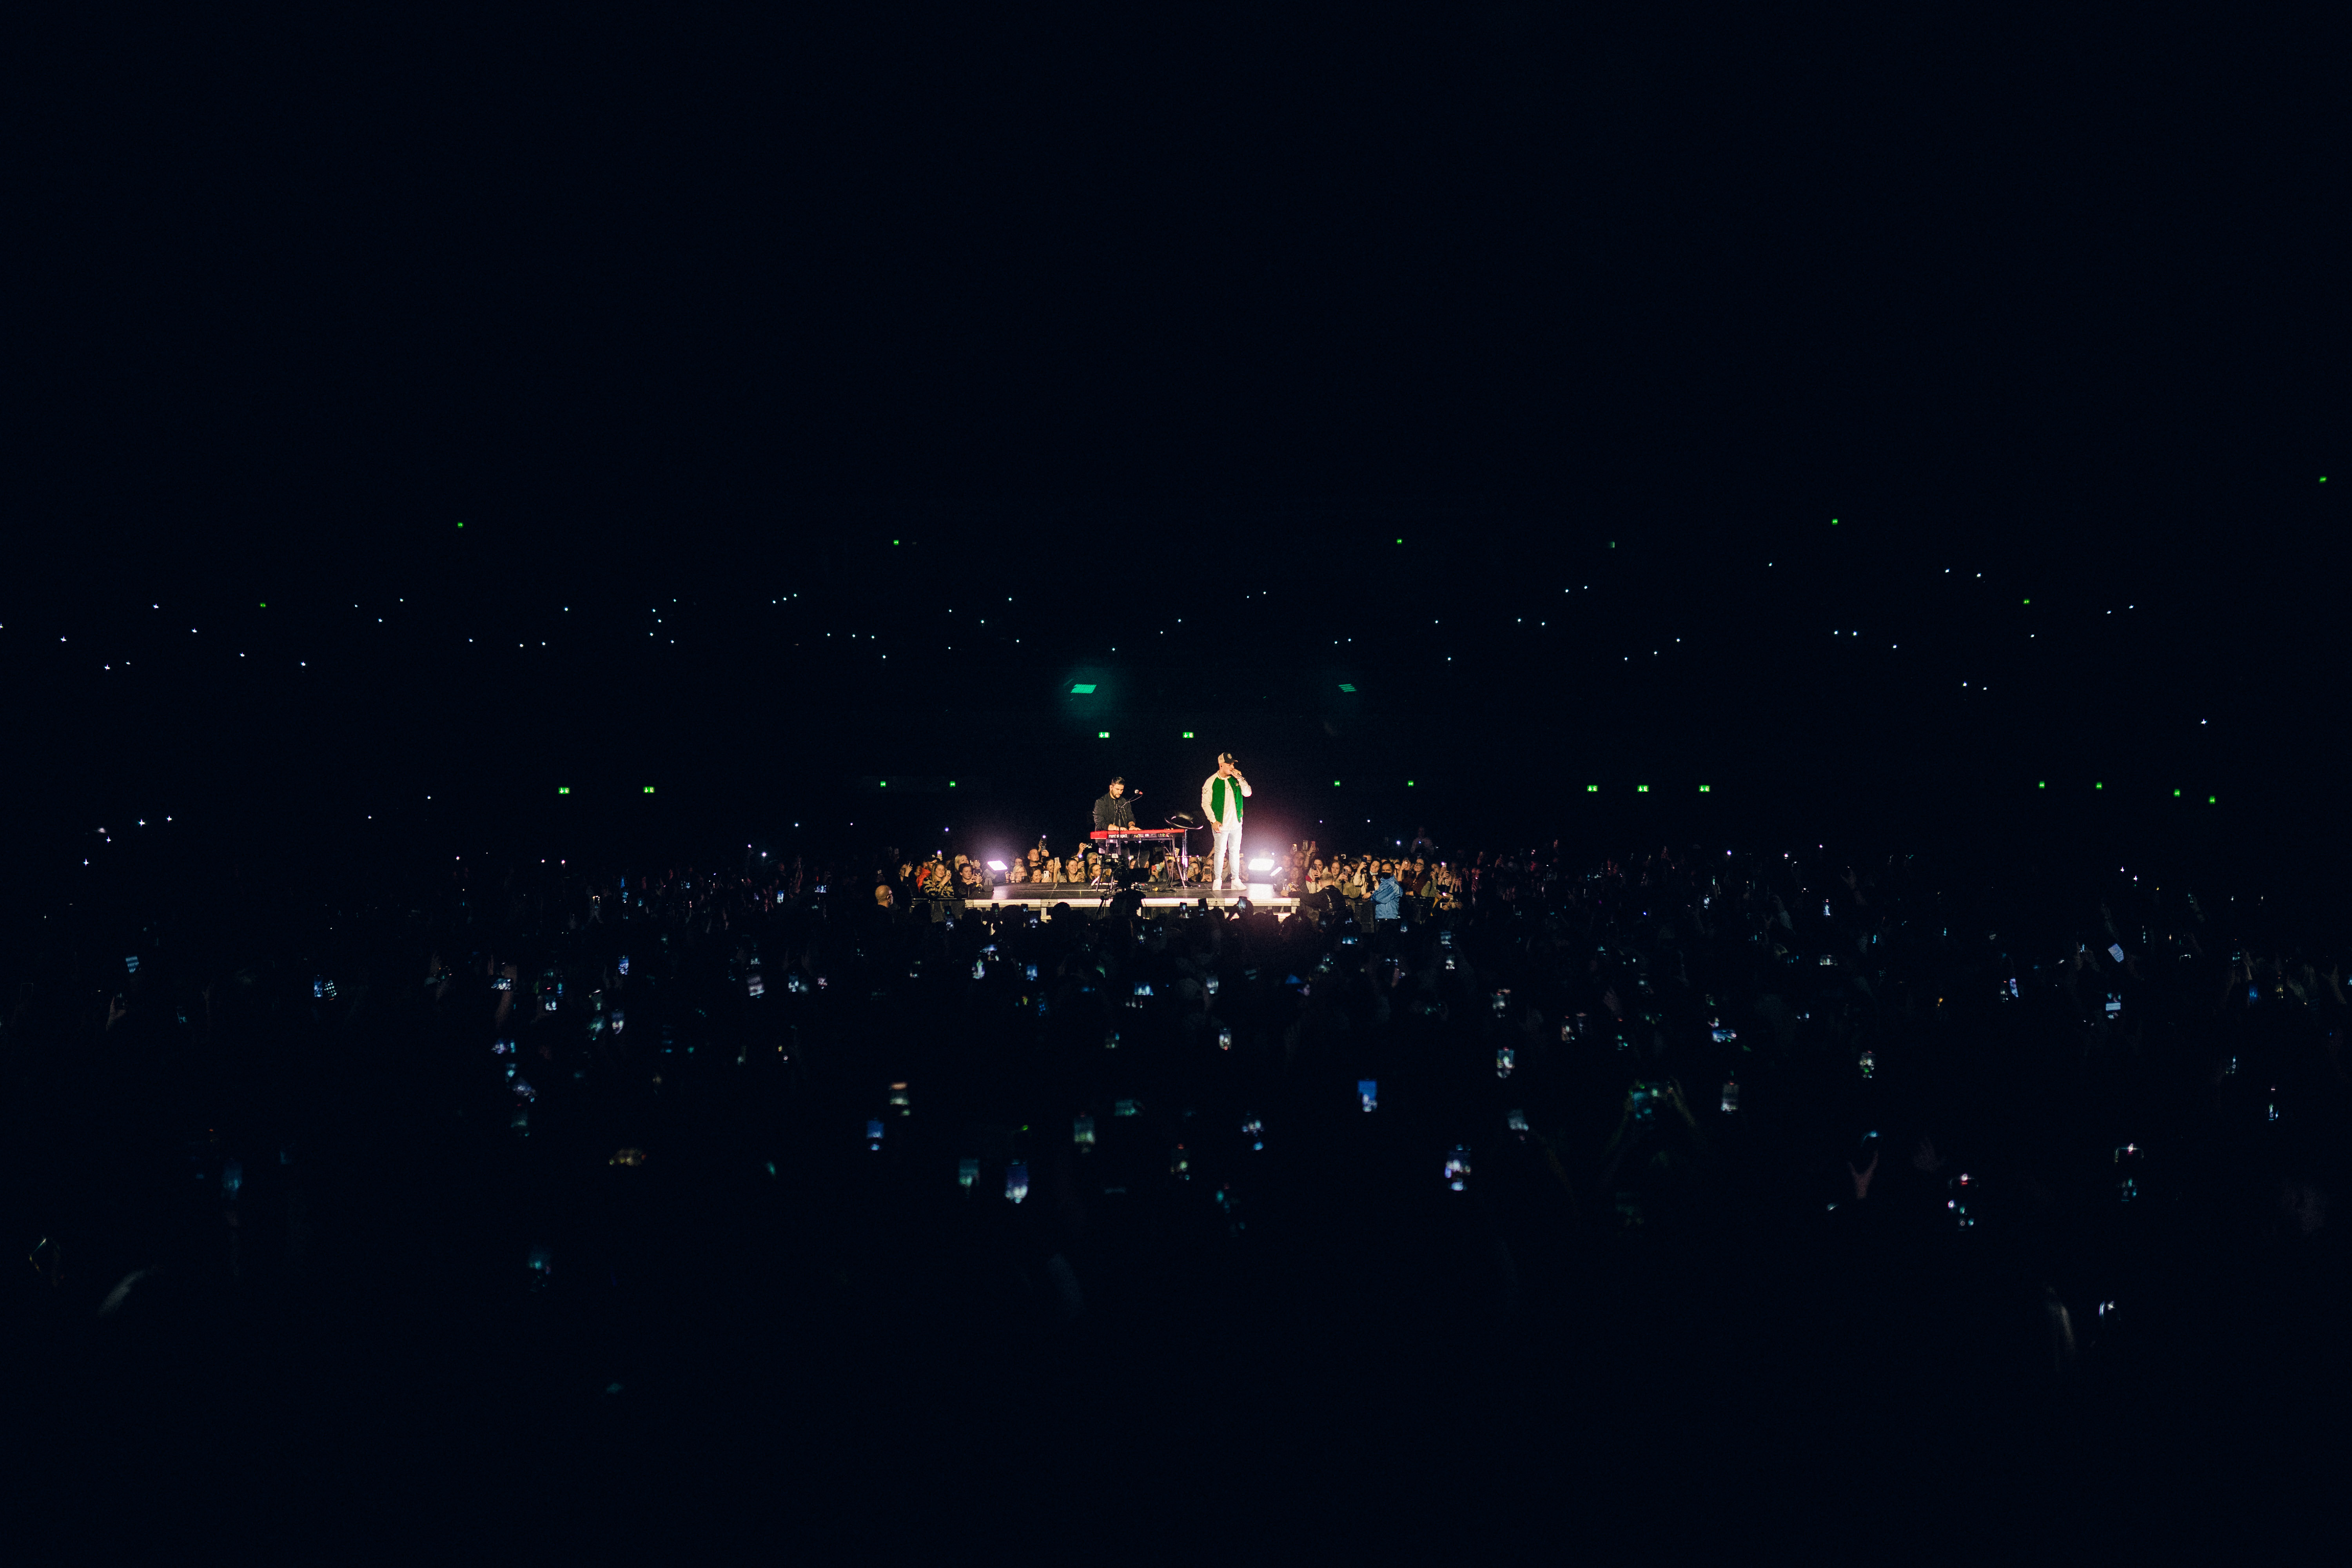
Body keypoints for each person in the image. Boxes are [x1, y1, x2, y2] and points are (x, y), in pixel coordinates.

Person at [1200, 754, 1251, 889]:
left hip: (1236, 823)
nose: (1232, 767)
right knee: (1220, 851)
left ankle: (1236, 880)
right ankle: (1218, 880)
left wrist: (1240, 779)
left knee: (1235, 851)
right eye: (1229, 765)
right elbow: (1205, 804)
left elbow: (1248, 793)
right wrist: (1213, 820)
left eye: (1233, 764)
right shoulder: (1211, 781)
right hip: (1221, 824)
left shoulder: (1235, 779)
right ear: (1221, 765)